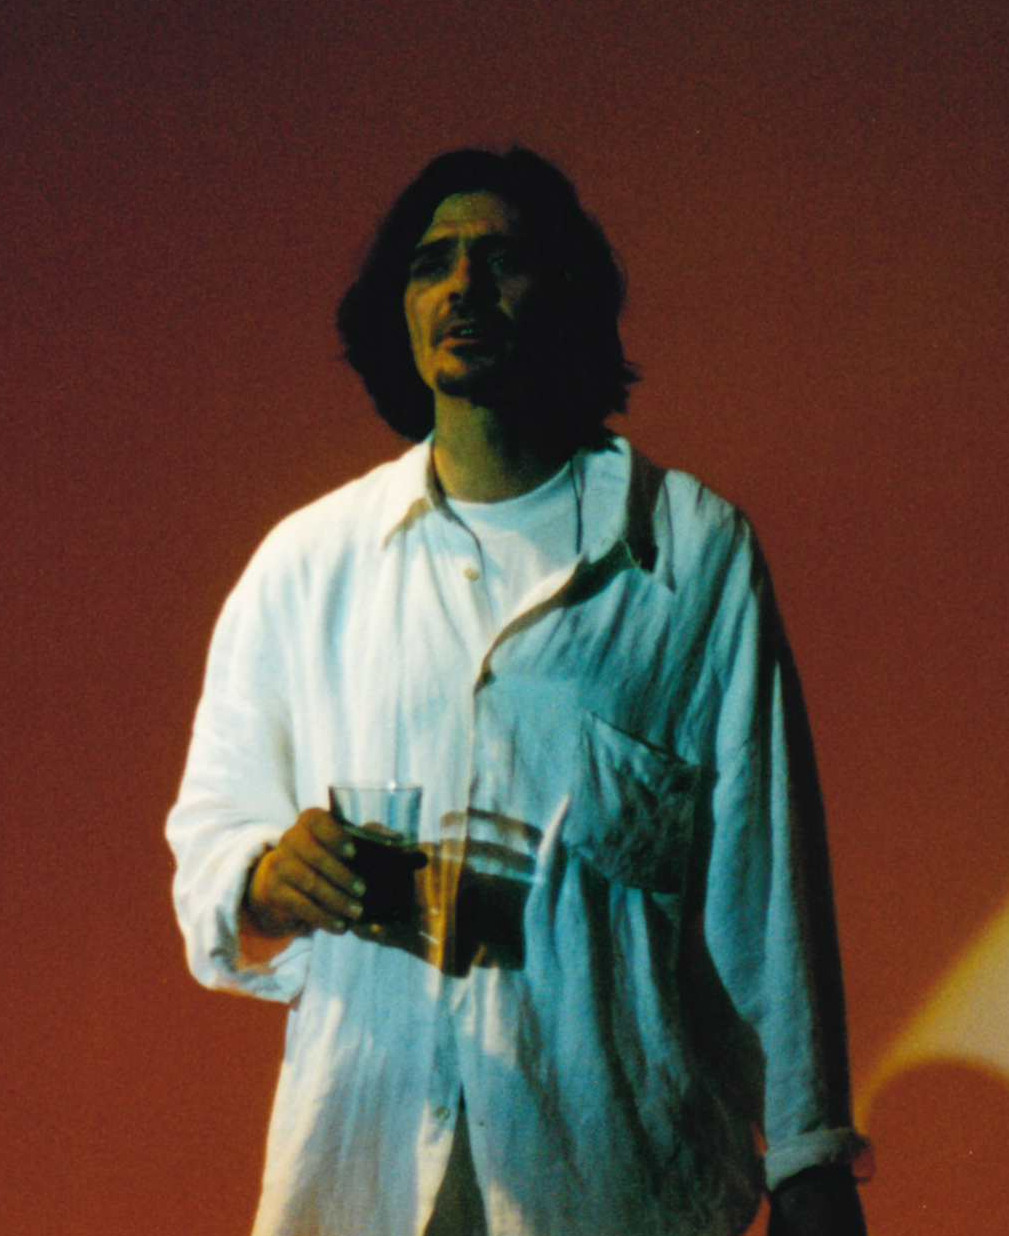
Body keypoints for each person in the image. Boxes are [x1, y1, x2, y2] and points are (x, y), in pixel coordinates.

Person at [167, 147, 868, 1236]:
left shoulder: (687, 551)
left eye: (501, 260)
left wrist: (810, 1156)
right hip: (363, 1173)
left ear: (567, 295)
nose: (463, 288)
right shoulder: (309, 564)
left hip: (613, 1178)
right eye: (431, 264)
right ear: (399, 311)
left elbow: (762, 872)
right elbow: (214, 828)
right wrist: (265, 878)